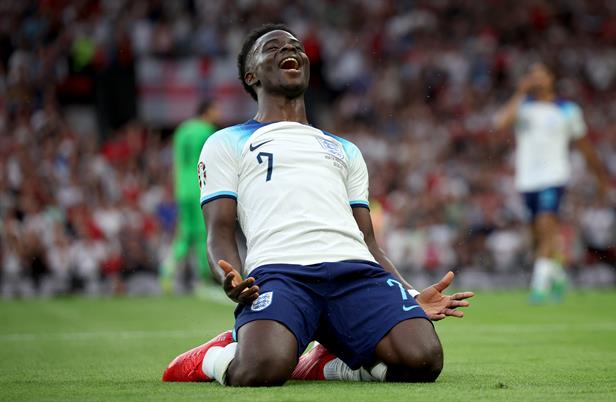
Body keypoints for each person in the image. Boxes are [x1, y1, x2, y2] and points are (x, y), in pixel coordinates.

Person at [162, 24, 474, 387]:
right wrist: (227, 277)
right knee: (260, 369)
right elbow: (218, 232)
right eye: (272, 47)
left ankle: (325, 364)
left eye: (295, 46)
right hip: (281, 273)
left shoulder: (345, 149)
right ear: (251, 75)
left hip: (355, 273)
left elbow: (368, 242)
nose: (288, 49)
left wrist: (411, 293)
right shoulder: (225, 142)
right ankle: (211, 357)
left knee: (423, 359)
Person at [494, 62, 607, 303]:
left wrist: (600, 176)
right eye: (532, 75)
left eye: (541, 75)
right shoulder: (523, 106)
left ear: (551, 78)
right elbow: (500, 123)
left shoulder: (567, 110)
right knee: (536, 235)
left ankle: (539, 286)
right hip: (527, 180)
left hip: (554, 176)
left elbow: (584, 145)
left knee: (547, 225)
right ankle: (557, 274)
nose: (536, 79)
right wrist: (520, 92)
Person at [161, 100, 219, 294]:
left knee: (185, 234)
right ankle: (205, 278)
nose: (218, 113)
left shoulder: (181, 130)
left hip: (182, 188)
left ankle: (167, 271)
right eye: (215, 109)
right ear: (207, 111)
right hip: (199, 187)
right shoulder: (206, 130)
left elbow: (176, 162)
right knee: (202, 232)